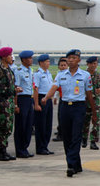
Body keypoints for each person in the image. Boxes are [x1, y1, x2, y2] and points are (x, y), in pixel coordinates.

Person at [41, 49, 96, 177]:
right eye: (68, 58)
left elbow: (89, 95)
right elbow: (54, 87)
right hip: (65, 107)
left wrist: (93, 112)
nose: (70, 60)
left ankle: (70, 164)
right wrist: (46, 97)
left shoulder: (85, 75)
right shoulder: (61, 75)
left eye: (73, 58)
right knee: (66, 137)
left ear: (79, 60)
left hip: (79, 107)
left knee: (76, 136)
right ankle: (75, 164)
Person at [14, 50, 35, 158]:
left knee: (28, 125)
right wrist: (16, 105)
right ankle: (20, 149)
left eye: (31, 58)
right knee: (21, 125)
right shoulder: (18, 71)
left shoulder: (30, 70)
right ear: (23, 60)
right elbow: (16, 89)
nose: (31, 60)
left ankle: (25, 147)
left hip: (29, 99)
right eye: (29, 58)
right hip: (22, 99)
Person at [33, 54, 54, 155]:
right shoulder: (37, 74)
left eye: (49, 61)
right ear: (41, 63)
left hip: (48, 99)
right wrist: (36, 104)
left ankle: (45, 146)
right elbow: (35, 89)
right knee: (41, 124)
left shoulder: (48, 73)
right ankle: (40, 147)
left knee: (48, 124)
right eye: (46, 61)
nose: (48, 63)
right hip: (41, 98)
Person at [82, 56, 100, 150]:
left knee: (96, 121)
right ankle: (83, 139)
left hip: (95, 101)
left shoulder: (98, 75)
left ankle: (93, 141)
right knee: (85, 121)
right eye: (91, 63)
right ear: (87, 64)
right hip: (84, 100)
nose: (93, 65)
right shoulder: (83, 75)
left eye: (95, 63)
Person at [0, 47, 17, 161]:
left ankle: (4, 150)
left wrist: (15, 90)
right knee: (1, 127)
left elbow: (10, 87)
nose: (11, 57)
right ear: (4, 57)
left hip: (8, 102)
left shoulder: (9, 70)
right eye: (10, 55)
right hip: (1, 101)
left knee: (8, 127)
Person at [52, 57, 68, 142]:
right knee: (60, 116)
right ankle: (60, 134)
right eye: (61, 65)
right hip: (62, 98)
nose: (63, 67)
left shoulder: (69, 74)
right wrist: (55, 97)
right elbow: (56, 87)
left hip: (69, 98)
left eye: (65, 65)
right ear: (58, 66)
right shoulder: (58, 75)